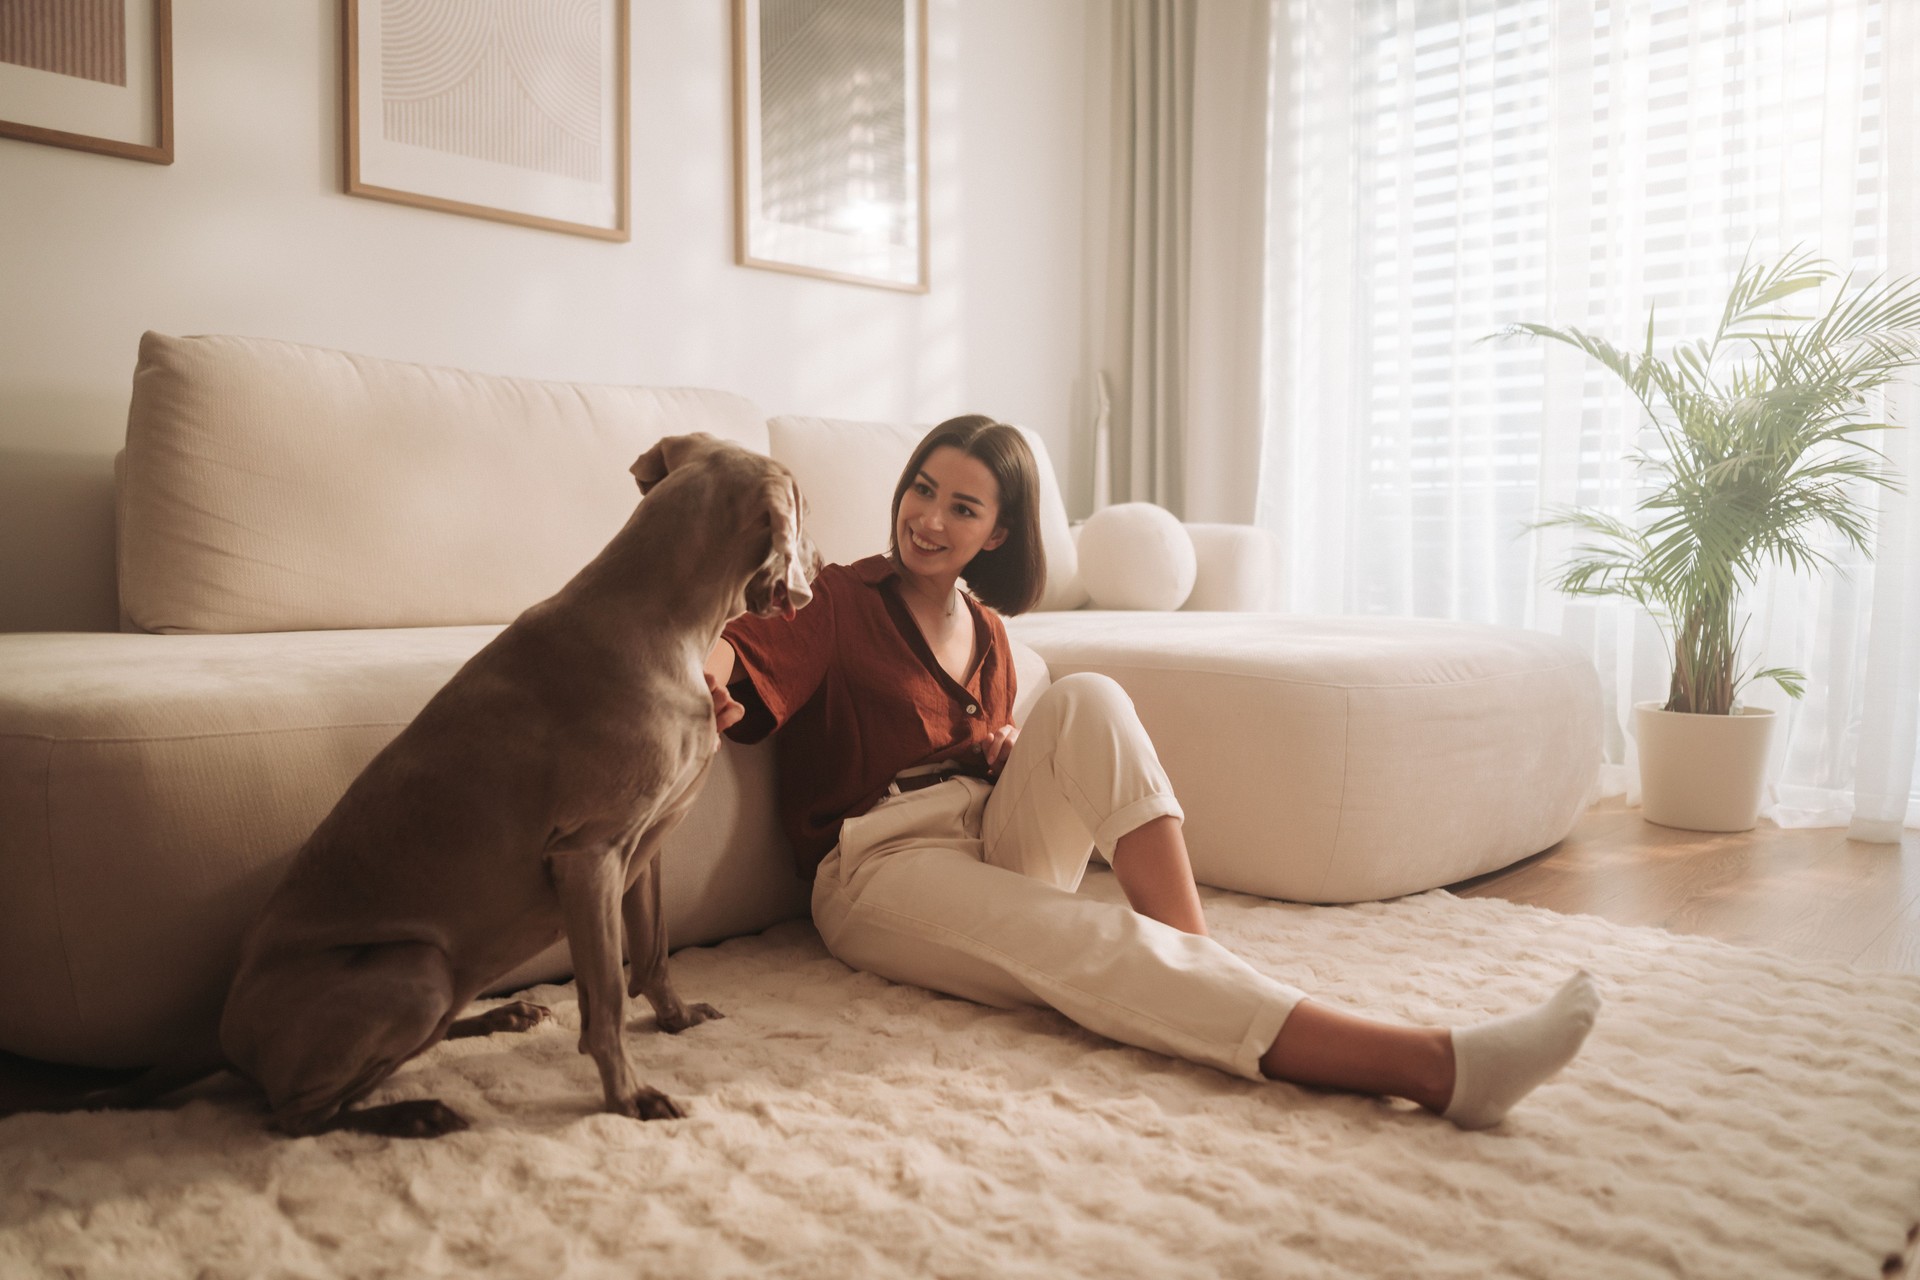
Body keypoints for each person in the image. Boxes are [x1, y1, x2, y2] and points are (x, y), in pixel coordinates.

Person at [703, 415, 1597, 1129]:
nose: (930, 518)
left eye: (963, 508)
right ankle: (1437, 1067)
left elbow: (995, 749)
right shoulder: (834, 599)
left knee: (1090, 694)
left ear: (999, 532)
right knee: (1089, 942)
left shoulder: (993, 633)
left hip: (984, 835)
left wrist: (1017, 765)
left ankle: (1198, 962)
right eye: (923, 490)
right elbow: (731, 659)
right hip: (881, 866)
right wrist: (711, 677)